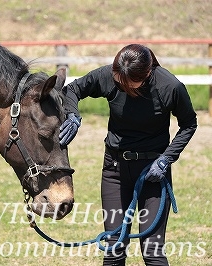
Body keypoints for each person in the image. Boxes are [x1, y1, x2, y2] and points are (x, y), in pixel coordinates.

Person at [59, 44, 197, 266]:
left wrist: (165, 159)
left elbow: (189, 124)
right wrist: (73, 115)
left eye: (127, 83)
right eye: (116, 78)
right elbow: (72, 89)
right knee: (114, 248)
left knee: (152, 252)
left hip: (154, 174)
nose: (119, 84)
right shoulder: (110, 76)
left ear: (147, 75)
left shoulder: (170, 86)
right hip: (115, 170)